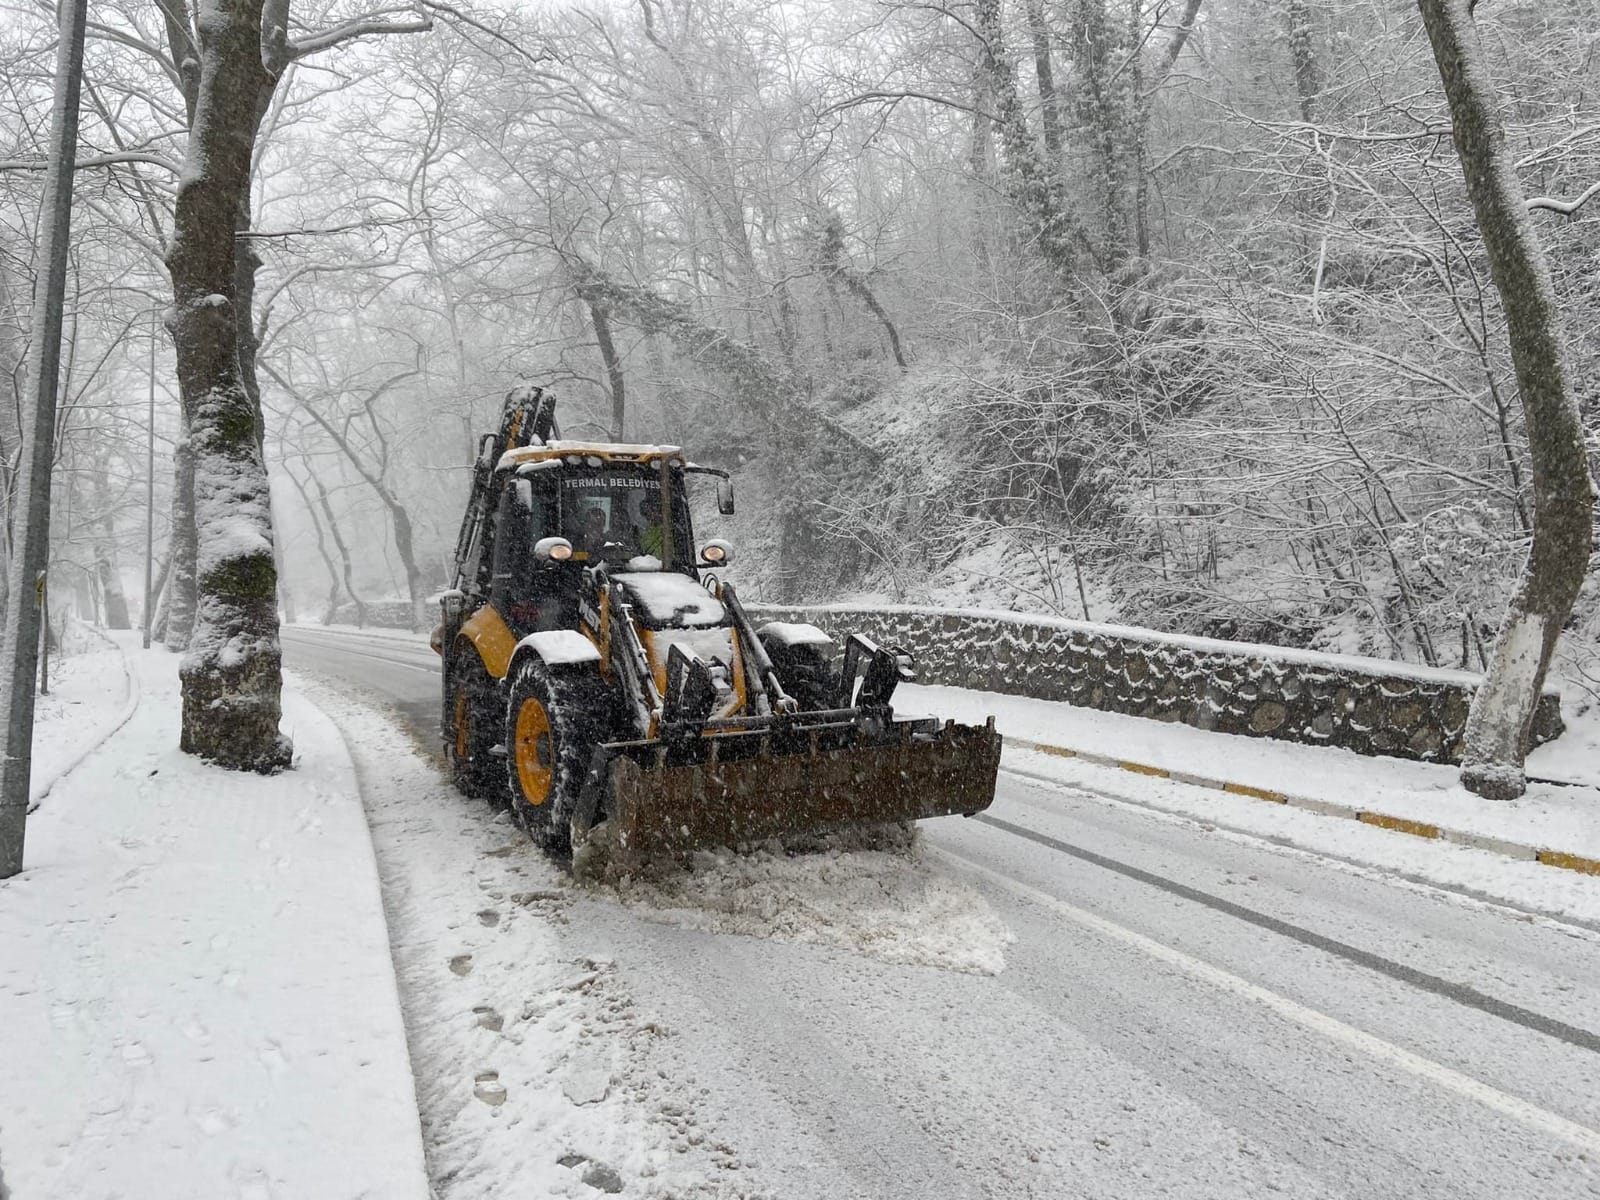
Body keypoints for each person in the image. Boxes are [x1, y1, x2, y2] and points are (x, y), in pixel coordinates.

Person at [634, 492, 666, 560]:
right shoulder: (642, 533)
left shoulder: (669, 531)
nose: (651, 516)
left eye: (653, 511)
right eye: (646, 513)